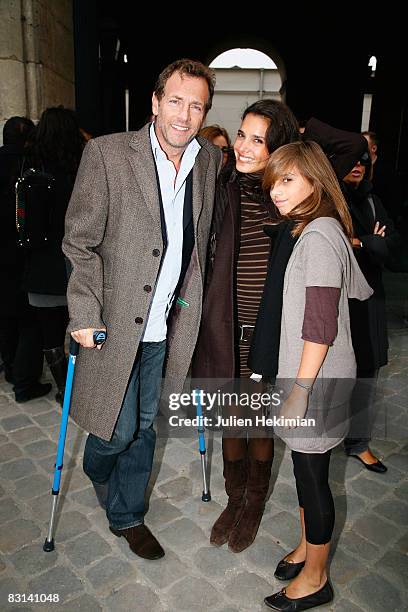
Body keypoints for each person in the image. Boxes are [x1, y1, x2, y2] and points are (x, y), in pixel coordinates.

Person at [62, 58, 221, 561]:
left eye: (196, 105)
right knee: (118, 426)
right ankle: (97, 465)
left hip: (169, 325)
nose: (185, 114)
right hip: (112, 323)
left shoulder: (208, 162)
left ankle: (128, 515)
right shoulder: (107, 155)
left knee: (146, 424)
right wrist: (84, 311)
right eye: (175, 101)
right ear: (155, 103)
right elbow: (79, 242)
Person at [255, 141, 372, 611]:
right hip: (314, 372)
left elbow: (320, 327)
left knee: (313, 477)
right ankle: (309, 548)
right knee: (308, 471)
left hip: (316, 378)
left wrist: (300, 391)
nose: (276, 193)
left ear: (316, 181)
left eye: (287, 180)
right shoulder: (315, 228)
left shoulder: (319, 236)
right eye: (273, 183)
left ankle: (317, 577)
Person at [193, 99, 299, 553]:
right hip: (224, 330)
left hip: (267, 338)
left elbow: (345, 146)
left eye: (258, 139)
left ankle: (254, 501)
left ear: (278, 148)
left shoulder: (289, 197)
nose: (244, 146)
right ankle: (234, 497)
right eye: (242, 134)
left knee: (260, 424)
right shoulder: (223, 187)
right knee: (230, 421)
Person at [342, 150, 400, 472]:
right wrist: (370, 242)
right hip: (340, 299)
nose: (358, 166)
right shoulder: (333, 199)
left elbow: (392, 244)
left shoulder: (374, 201)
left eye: (364, 161)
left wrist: (361, 243)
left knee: (367, 375)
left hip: (371, 301)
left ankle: (358, 443)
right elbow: (339, 243)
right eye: (353, 160)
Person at [22, 107, 85, 404]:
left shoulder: (31, 168)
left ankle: (65, 391)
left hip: (40, 263)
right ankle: (81, 385)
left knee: (50, 333)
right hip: (75, 263)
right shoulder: (80, 169)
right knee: (80, 327)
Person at [0, 116, 52, 402]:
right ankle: (24, 381)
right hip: (20, 254)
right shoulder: (30, 168)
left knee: (5, 316)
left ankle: (9, 367)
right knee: (28, 319)